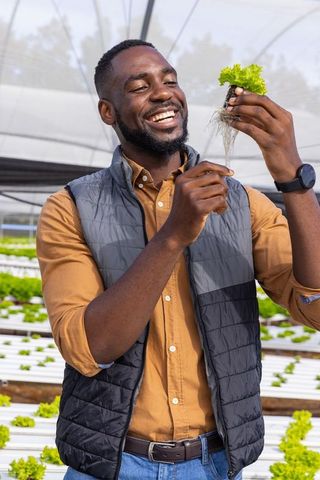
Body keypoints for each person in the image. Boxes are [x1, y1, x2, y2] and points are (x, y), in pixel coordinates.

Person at [36, 39, 320, 480]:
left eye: (170, 81)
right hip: (114, 464)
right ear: (107, 112)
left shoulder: (241, 203)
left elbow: (315, 306)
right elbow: (89, 348)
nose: (164, 92)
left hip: (215, 463)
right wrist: (173, 235)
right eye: (140, 86)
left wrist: (293, 179)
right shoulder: (70, 207)